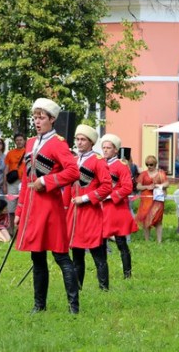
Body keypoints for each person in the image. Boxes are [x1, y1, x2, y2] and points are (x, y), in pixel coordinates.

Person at [14, 97, 81, 314]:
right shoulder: (32, 143)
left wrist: (46, 181)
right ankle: (38, 305)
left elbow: (73, 171)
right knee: (37, 255)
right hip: (32, 209)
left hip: (50, 208)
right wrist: (19, 209)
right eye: (35, 117)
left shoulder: (58, 143)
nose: (37, 121)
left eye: (41, 117)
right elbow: (26, 179)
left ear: (52, 119)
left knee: (60, 255)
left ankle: (73, 306)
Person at [64, 124, 112, 291]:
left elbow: (106, 187)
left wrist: (85, 198)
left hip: (91, 213)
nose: (79, 142)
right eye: (77, 139)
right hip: (74, 214)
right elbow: (68, 187)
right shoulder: (73, 160)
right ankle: (78, 288)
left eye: (83, 139)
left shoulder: (98, 161)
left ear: (91, 142)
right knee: (76, 254)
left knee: (97, 254)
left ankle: (104, 288)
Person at [100, 133, 138, 278]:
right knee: (100, 244)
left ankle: (127, 274)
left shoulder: (121, 166)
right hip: (102, 208)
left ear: (116, 150)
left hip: (116, 208)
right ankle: (103, 274)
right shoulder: (100, 164)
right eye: (104, 147)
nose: (105, 150)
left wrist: (109, 196)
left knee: (121, 243)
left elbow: (127, 187)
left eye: (108, 148)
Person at [136, 155, 169, 243]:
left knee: (158, 220)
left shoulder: (161, 173)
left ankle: (159, 241)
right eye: (147, 164)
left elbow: (167, 184)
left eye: (151, 164)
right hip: (146, 200)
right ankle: (147, 241)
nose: (149, 166)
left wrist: (159, 186)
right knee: (146, 220)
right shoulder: (143, 174)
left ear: (155, 164)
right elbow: (138, 186)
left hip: (158, 199)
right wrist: (147, 186)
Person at [3, 133, 26, 235]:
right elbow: (6, 169)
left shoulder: (28, 152)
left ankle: (21, 230)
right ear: (15, 141)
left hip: (24, 182)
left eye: (21, 140)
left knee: (23, 206)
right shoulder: (10, 153)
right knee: (11, 207)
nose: (19, 142)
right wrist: (4, 184)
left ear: (24, 141)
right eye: (17, 140)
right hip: (12, 182)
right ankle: (11, 230)